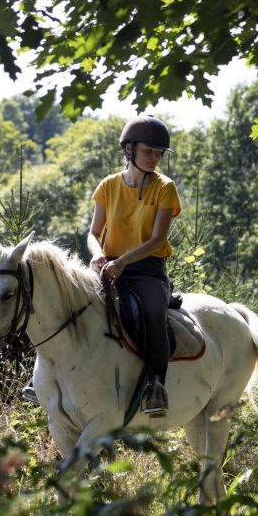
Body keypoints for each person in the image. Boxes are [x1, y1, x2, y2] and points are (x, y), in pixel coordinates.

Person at [88, 115, 182, 415]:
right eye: (148, 151)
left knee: (154, 311)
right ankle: (48, 379)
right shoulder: (108, 185)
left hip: (147, 269)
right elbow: (93, 234)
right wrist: (96, 254)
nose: (155, 158)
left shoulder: (166, 188)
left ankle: (156, 386)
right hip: (108, 265)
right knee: (72, 303)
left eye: (159, 153)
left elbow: (157, 240)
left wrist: (124, 261)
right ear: (129, 149)